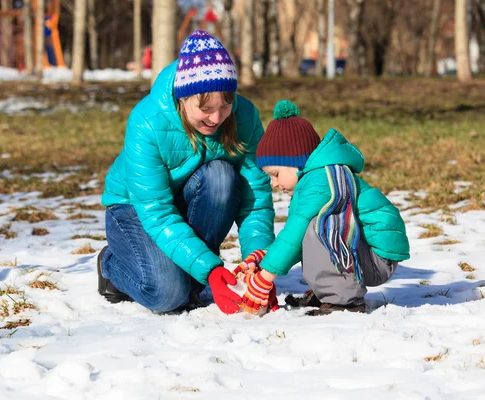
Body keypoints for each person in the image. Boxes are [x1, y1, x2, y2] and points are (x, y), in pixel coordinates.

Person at [98, 30, 276, 315]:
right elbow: (156, 210)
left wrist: (262, 266)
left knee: (221, 176)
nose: (217, 118)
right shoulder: (147, 122)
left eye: (225, 105)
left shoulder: (245, 117)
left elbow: (256, 199)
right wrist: (212, 270)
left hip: (189, 200)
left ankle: (194, 274)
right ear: (183, 98)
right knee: (167, 295)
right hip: (135, 208)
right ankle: (111, 263)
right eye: (205, 109)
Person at [240, 100, 410, 316]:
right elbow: (296, 242)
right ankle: (329, 292)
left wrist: (265, 278)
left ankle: (343, 299)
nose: (274, 183)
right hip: (361, 253)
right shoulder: (316, 179)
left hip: (377, 259)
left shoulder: (321, 181)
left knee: (319, 226)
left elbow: (295, 233)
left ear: (297, 161)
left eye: (275, 174)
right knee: (313, 228)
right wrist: (266, 258)